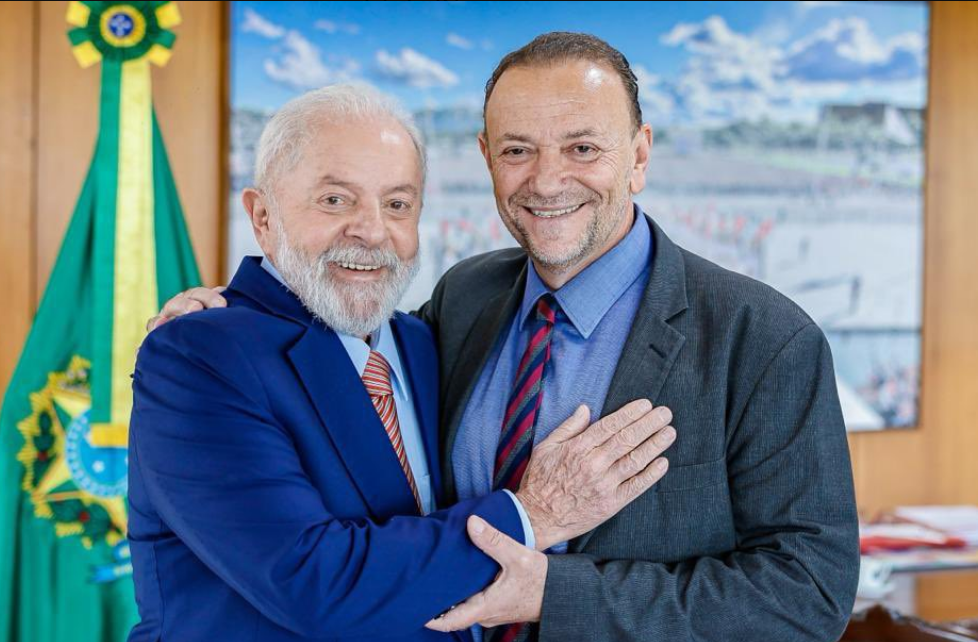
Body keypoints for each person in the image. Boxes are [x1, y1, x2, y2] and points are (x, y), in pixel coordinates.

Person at [153, 32, 860, 642]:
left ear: (639, 156)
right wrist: (227, 310)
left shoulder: (763, 338)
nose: (547, 181)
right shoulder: (465, 299)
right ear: (488, 157)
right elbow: (336, 335)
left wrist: (557, 594)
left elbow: (808, 596)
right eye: (519, 149)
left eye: (583, 147)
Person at [127, 84, 675, 642]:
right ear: (262, 216)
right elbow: (314, 583)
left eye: (397, 204)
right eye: (335, 200)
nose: (371, 231)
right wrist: (536, 513)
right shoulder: (196, 355)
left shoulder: (422, 341)